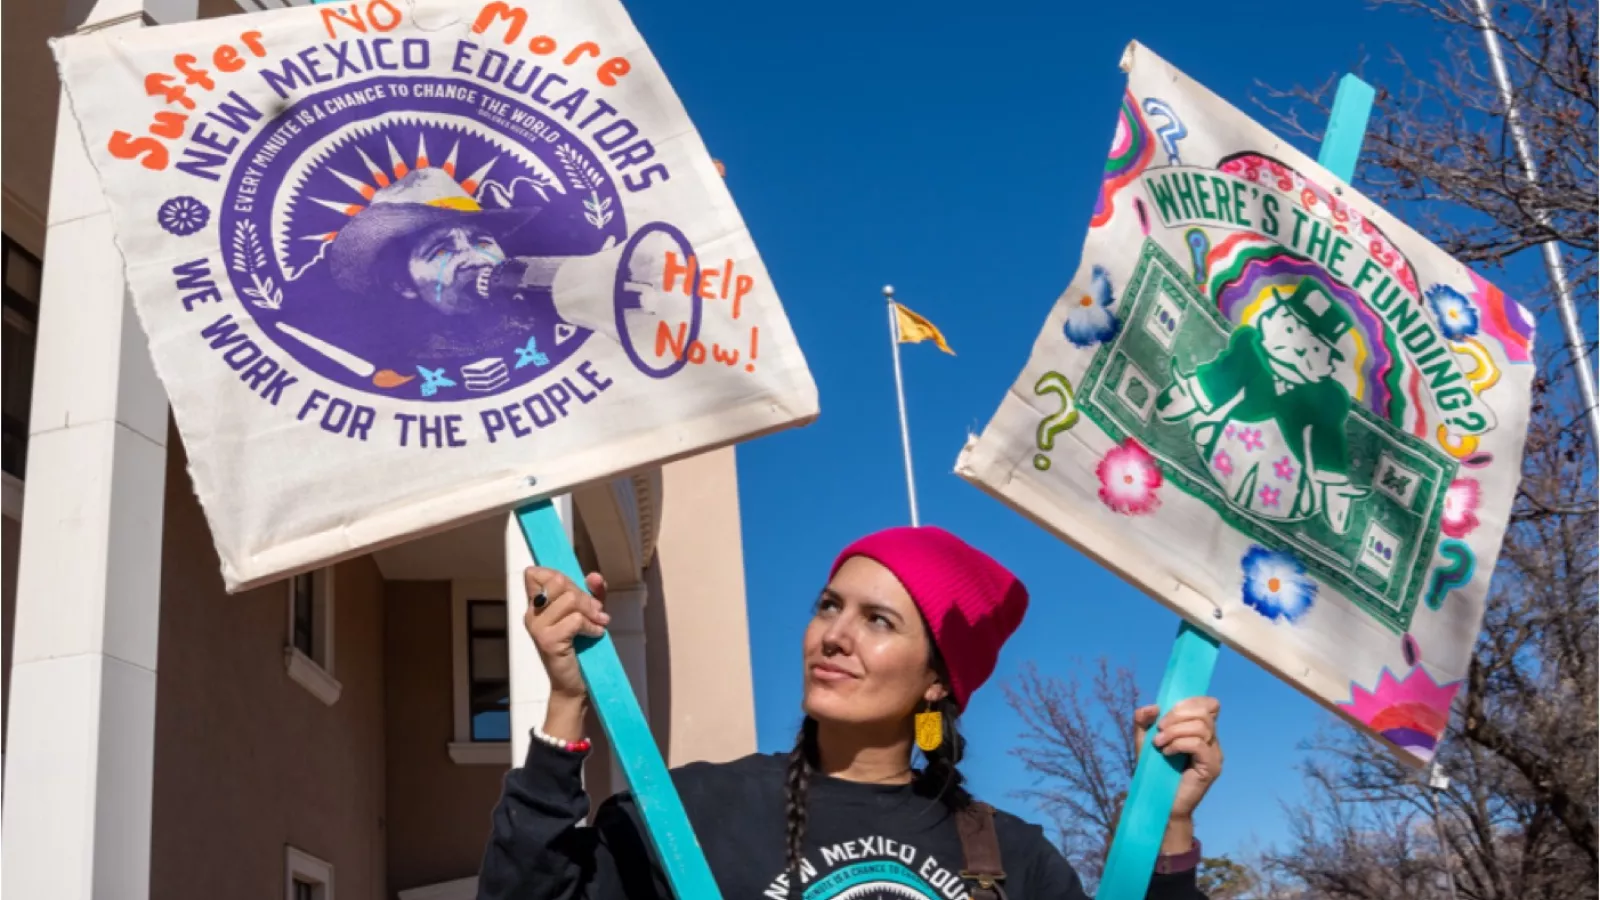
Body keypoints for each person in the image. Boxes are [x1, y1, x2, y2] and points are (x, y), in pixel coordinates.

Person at [476, 526, 1223, 899]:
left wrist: (1170, 820)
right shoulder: (690, 811)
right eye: (829, 606)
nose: (833, 634)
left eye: (879, 620)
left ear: (938, 682)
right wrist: (569, 700)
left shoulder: (1012, 856)